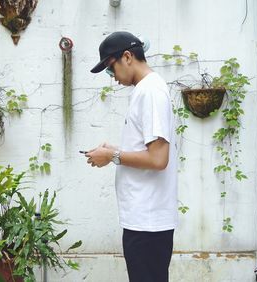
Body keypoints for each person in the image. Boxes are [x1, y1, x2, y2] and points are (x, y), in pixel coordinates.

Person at [85, 31, 178, 282]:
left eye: (110, 68)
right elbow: (148, 151)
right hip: (143, 219)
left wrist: (112, 155)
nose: (112, 78)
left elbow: (159, 159)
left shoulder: (151, 92)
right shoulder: (145, 90)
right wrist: (112, 152)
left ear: (127, 57)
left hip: (148, 222)